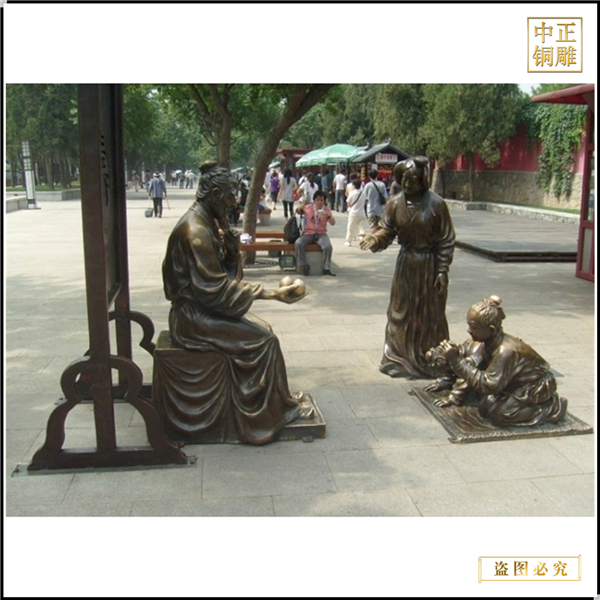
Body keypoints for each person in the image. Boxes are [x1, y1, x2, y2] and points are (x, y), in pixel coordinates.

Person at [161, 161, 312, 445]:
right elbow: (215, 291)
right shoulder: (195, 231)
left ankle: (277, 401)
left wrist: (231, 253)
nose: (235, 200)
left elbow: (220, 281)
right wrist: (271, 294)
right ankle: (263, 416)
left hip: (203, 308)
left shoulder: (207, 222)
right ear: (215, 195)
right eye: (231, 194)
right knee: (265, 341)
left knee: (264, 330)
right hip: (192, 318)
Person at [359, 156, 455, 379]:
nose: (408, 183)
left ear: (423, 180)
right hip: (406, 264)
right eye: (404, 179)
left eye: (413, 179)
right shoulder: (394, 203)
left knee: (430, 313)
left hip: (429, 264)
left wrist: (442, 270)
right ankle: (397, 357)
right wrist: (375, 238)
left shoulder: (437, 204)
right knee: (400, 311)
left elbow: (446, 240)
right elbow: (387, 230)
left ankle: (432, 358)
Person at [431, 296, 568, 427]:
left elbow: (489, 385)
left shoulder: (506, 351)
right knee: (484, 405)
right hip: (507, 381)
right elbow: (472, 367)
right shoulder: (484, 342)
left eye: (474, 327)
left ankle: (553, 408)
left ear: (491, 330)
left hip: (532, 386)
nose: (469, 330)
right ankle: (503, 399)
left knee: (501, 415)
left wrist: (456, 360)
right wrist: (454, 395)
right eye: (469, 325)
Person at [295, 190, 336, 277]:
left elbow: (333, 223)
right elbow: (298, 211)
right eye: (318, 200)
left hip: (321, 233)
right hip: (309, 233)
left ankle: (326, 268)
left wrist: (328, 216)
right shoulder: (308, 207)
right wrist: (301, 206)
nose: (320, 202)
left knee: (327, 246)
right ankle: (303, 265)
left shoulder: (326, 209)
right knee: (298, 243)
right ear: (314, 201)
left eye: (322, 200)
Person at [344, 178, 368, 246]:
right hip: (362, 212)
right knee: (362, 227)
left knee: (351, 227)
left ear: (354, 185)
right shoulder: (363, 193)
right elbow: (365, 202)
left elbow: (348, 203)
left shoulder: (352, 193)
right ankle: (362, 240)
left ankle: (349, 241)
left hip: (353, 213)